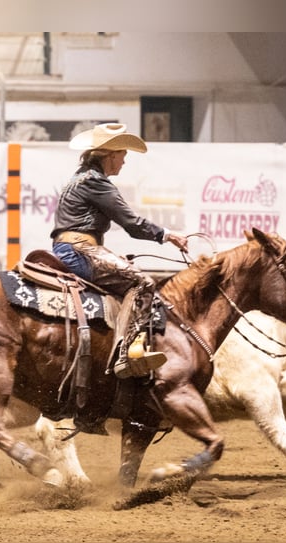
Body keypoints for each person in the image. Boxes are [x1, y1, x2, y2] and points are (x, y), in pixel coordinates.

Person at [51, 123, 189, 432]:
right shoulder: (97, 183)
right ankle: (128, 354)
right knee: (142, 283)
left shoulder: (82, 179)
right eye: (122, 154)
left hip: (75, 246)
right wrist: (168, 235)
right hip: (78, 249)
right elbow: (132, 223)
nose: (124, 161)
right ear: (108, 155)